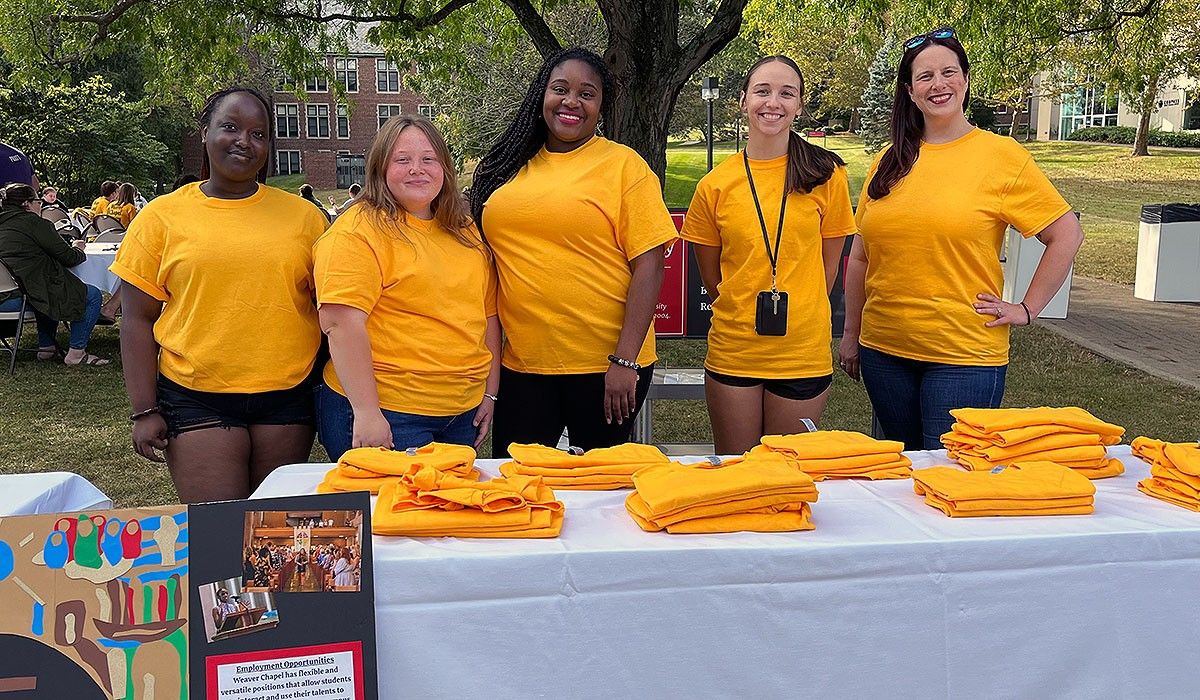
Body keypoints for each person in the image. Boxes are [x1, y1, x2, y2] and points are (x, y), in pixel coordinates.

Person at [839, 28, 1084, 450]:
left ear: (966, 81)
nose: (939, 84)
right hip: (884, 350)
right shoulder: (889, 160)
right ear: (910, 91)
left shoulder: (1001, 156)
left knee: (954, 476)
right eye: (925, 76)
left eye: (949, 72)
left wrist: (1027, 308)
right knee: (904, 472)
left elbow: (1066, 234)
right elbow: (861, 256)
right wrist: (851, 333)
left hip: (963, 356)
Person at [111, 86, 329, 503]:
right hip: (195, 398)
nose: (244, 141)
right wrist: (144, 409)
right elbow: (137, 319)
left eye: (259, 134)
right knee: (221, 538)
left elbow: (329, 308)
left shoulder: (304, 218)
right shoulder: (161, 217)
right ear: (205, 132)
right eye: (230, 127)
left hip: (287, 397)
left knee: (274, 538)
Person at [469, 47, 676, 457]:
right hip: (523, 365)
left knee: (596, 489)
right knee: (518, 481)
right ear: (540, 95)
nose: (571, 102)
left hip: (605, 367)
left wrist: (625, 362)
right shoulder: (507, 166)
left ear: (602, 107)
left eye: (587, 94)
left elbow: (650, 265)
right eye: (560, 89)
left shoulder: (624, 166)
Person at [681, 56, 856, 454]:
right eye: (762, 91)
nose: (772, 102)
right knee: (738, 477)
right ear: (743, 101)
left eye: (785, 93)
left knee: (787, 477)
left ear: (799, 104)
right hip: (735, 349)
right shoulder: (715, 185)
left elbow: (828, 270)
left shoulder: (826, 176)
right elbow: (712, 276)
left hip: (802, 351)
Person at [314, 116, 499, 459]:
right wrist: (368, 413)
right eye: (402, 160)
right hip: (388, 412)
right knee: (392, 512)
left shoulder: (463, 229)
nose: (417, 169)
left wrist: (489, 393)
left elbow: (487, 315)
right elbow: (341, 324)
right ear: (380, 166)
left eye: (429, 159)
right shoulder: (358, 231)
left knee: (445, 511)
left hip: (462, 413)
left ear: (444, 167)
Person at [0, 183, 109, 365]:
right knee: (91, 295)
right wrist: (78, 248)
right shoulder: (34, 223)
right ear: (27, 204)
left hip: (6, 298)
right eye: (38, 201)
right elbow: (69, 258)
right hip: (21, 297)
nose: (40, 204)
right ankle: (76, 353)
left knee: (43, 288)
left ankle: (47, 348)